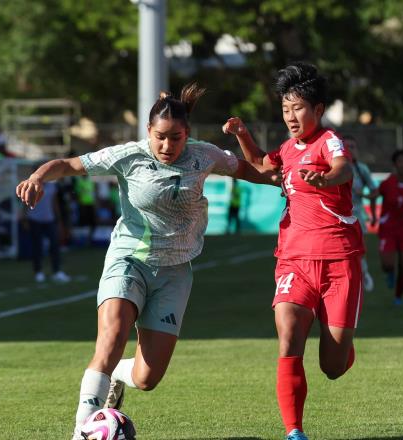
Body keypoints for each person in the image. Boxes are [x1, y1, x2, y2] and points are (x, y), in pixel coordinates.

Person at [14, 83, 274, 440]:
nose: (168, 146)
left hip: (175, 271)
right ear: (148, 132)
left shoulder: (206, 155)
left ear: (188, 135)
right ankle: (82, 432)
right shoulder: (128, 155)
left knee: (146, 379)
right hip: (129, 260)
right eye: (160, 137)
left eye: (176, 138)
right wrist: (38, 176)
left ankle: (117, 378)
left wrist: (301, 181)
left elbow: (255, 172)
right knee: (110, 339)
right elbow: (69, 164)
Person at [223, 62, 364, 440]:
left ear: (318, 110)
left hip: (339, 261)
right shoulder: (287, 149)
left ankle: (343, 349)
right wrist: (242, 134)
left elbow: (343, 169)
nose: (290, 117)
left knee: (332, 367)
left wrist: (325, 178)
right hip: (294, 260)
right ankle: (294, 431)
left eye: (297, 108)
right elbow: (261, 165)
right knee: (287, 332)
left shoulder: (329, 140)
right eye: (285, 109)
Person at [370, 148, 403, 306]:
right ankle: (389, 272)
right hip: (388, 228)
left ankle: (398, 296)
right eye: (400, 161)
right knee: (387, 263)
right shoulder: (388, 183)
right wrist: (373, 215)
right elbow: (373, 196)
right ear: (395, 164)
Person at [346, 136, 378, 291]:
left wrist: (372, 213)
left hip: (357, 215)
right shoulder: (333, 167)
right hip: (337, 216)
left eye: (353, 146)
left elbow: (374, 191)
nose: (350, 149)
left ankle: (364, 275)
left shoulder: (361, 169)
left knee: (358, 248)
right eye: (347, 146)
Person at [25, 181, 70, 283]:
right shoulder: (31, 185)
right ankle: (38, 272)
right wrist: (25, 217)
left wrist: (58, 220)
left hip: (49, 219)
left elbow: (54, 203)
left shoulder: (52, 186)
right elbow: (26, 201)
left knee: (55, 245)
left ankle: (57, 271)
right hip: (34, 219)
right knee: (37, 246)